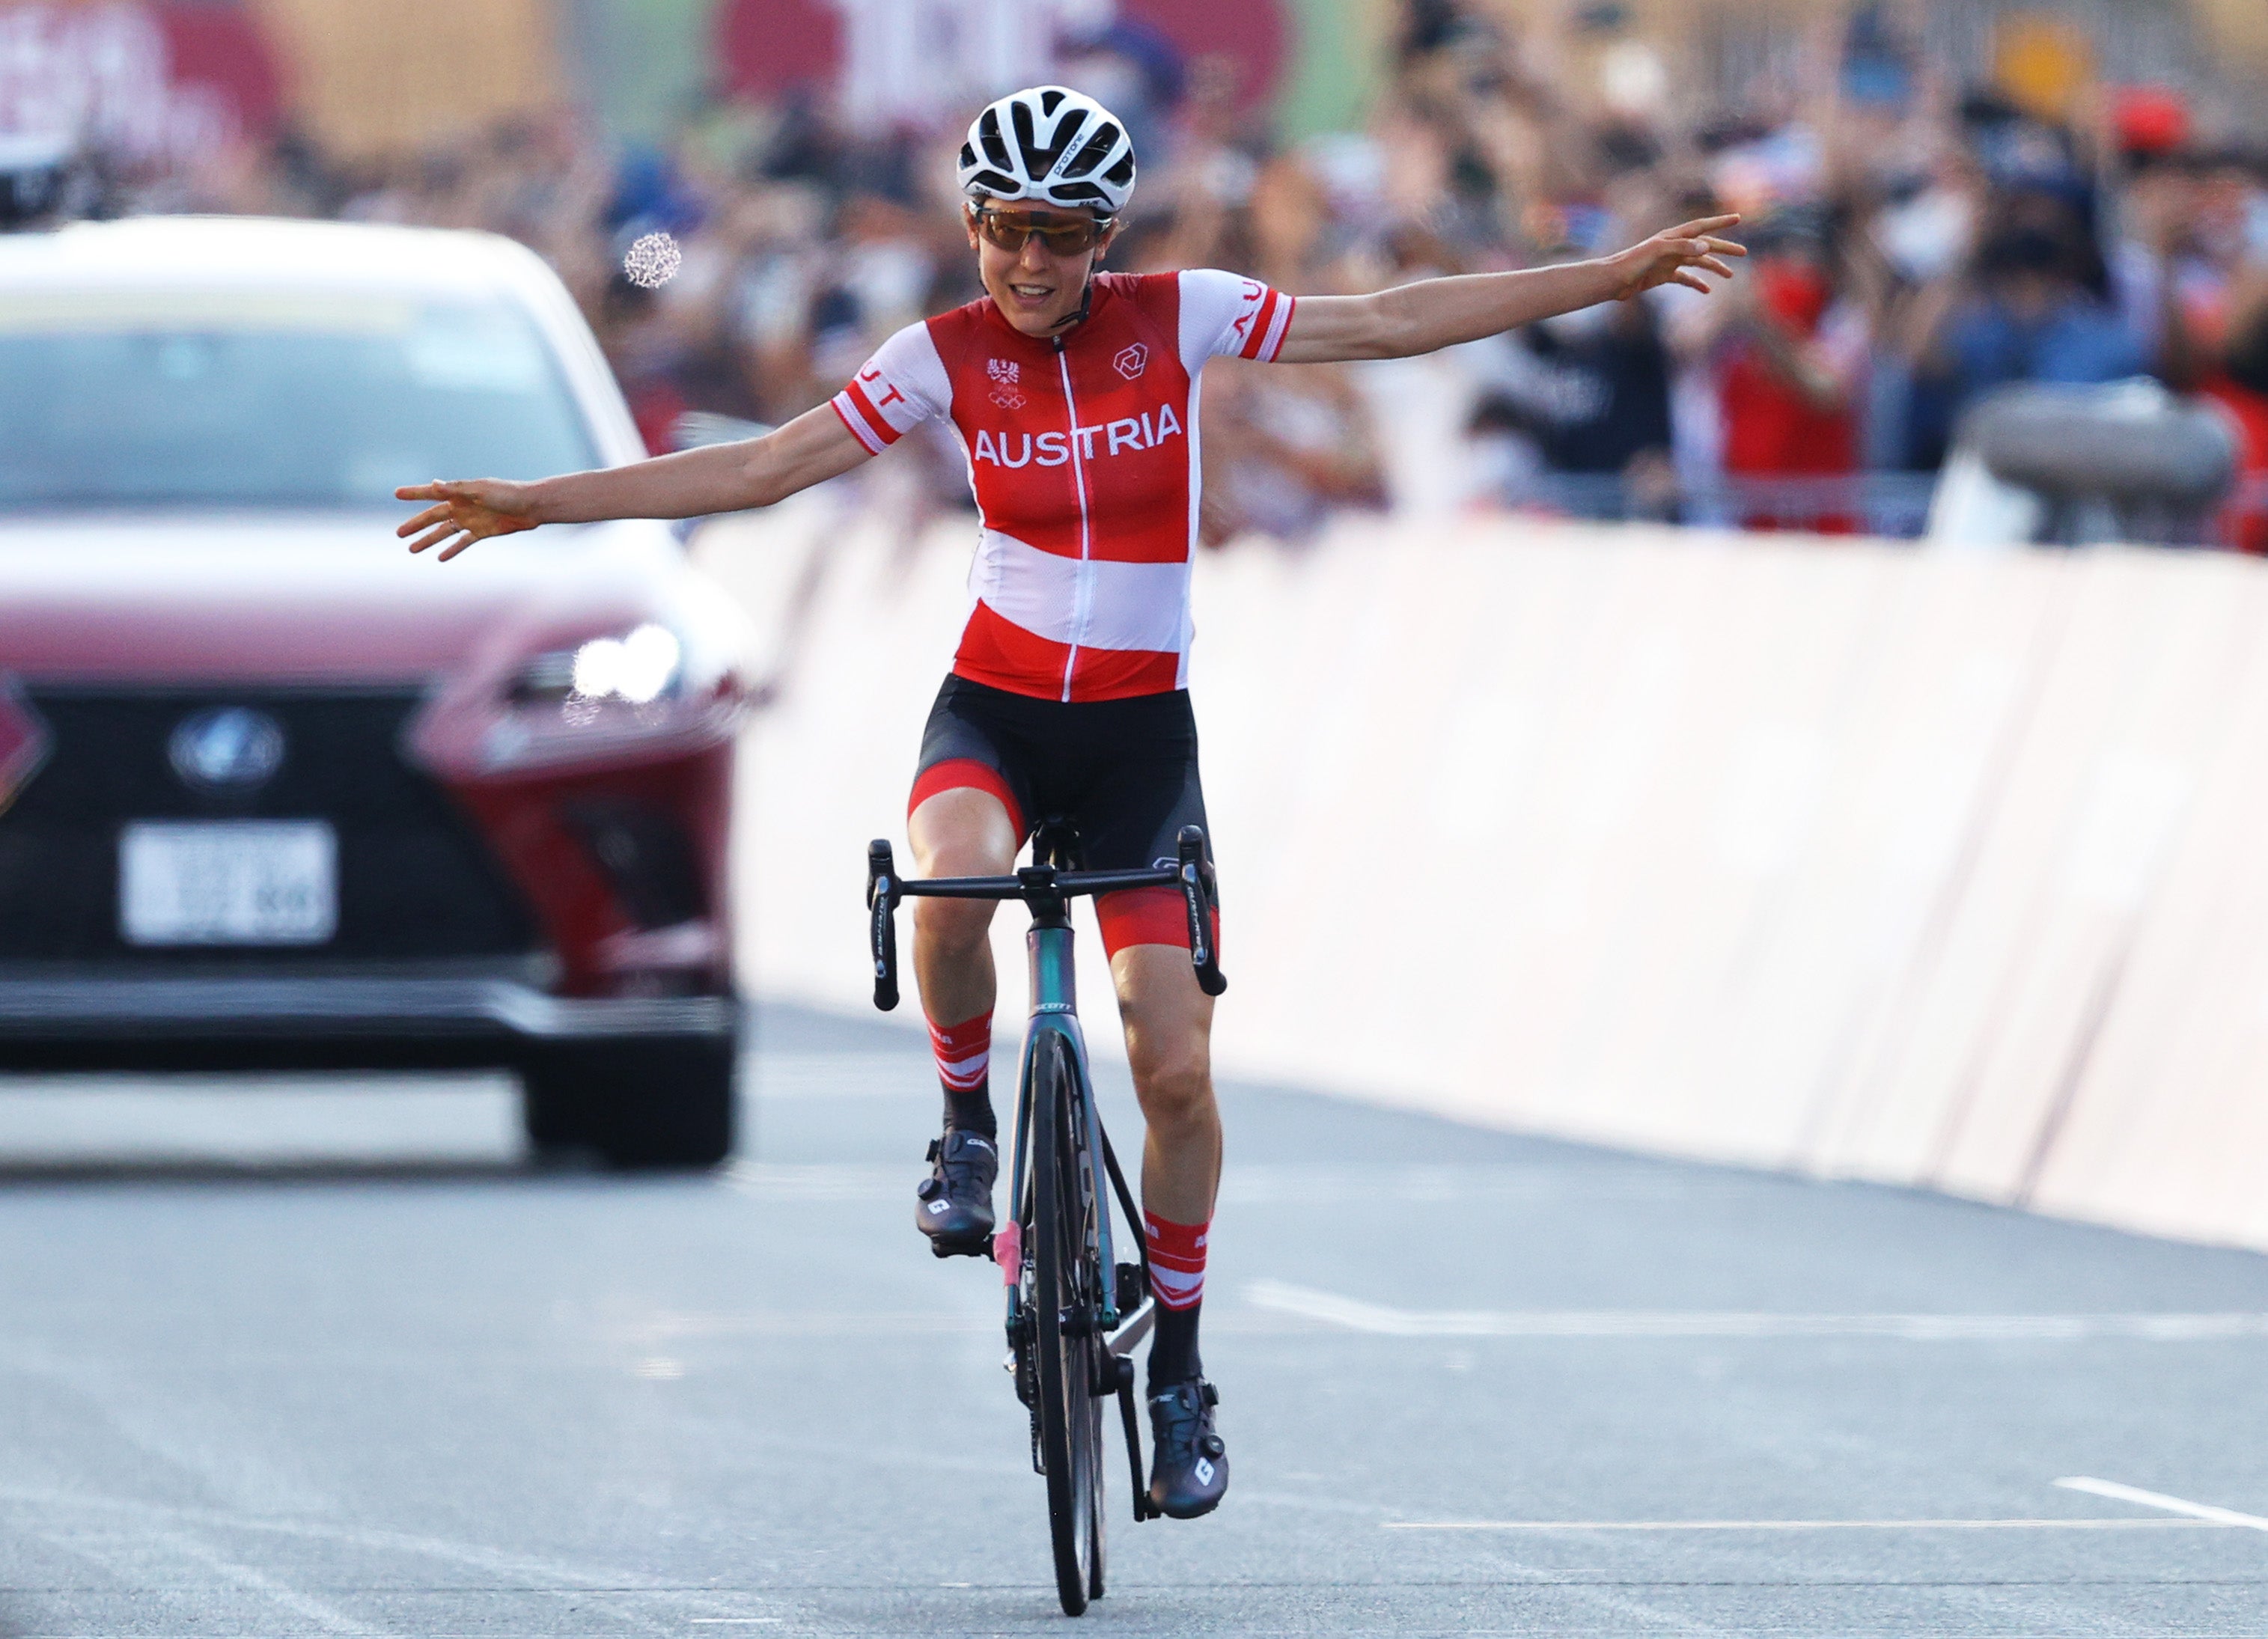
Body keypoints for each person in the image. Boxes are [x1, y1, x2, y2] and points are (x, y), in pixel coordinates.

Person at [397, 85, 1742, 1520]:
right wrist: (547, 504)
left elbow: (1390, 320)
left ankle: (1177, 1365)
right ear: (971, 228)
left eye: (1058, 238)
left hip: (1135, 743)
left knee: (1173, 1068)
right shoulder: (943, 355)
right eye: (1001, 233)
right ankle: (968, 1122)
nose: (1028, 265)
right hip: (994, 712)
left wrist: (1609, 275)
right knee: (950, 877)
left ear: (1103, 240)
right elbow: (764, 465)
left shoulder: (1185, 315)